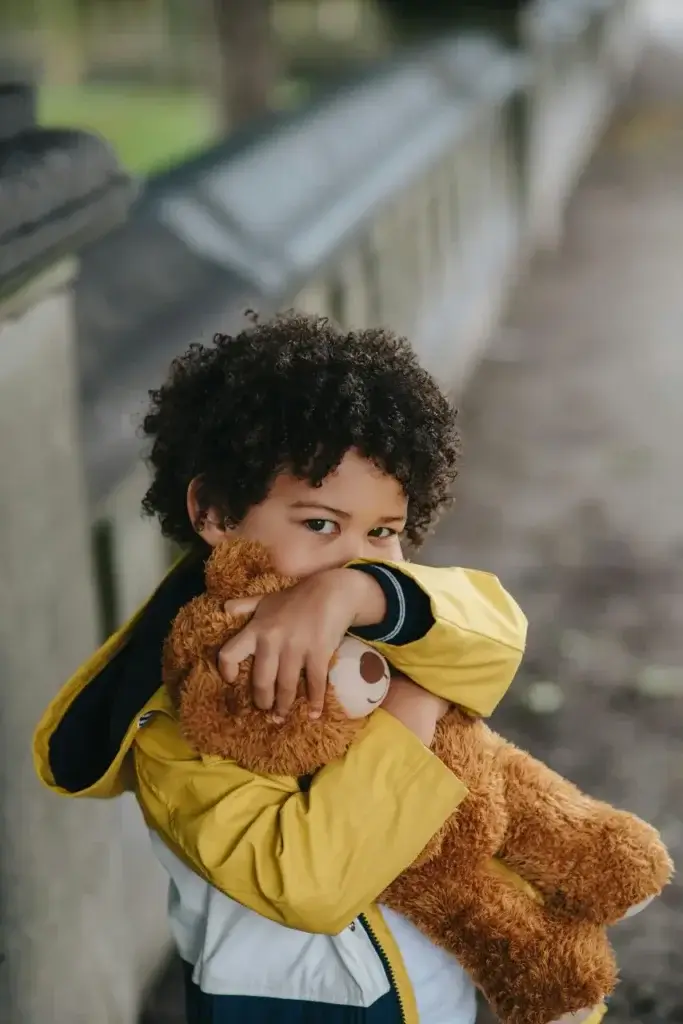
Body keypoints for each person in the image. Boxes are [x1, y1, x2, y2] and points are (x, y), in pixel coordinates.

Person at [34, 313, 529, 1024]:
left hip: (428, 993)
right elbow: (310, 885)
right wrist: (412, 709)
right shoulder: (179, 715)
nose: (355, 556)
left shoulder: (373, 611)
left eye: (382, 532)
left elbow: (496, 632)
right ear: (212, 510)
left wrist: (351, 592)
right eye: (320, 524)